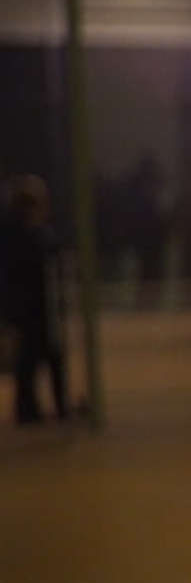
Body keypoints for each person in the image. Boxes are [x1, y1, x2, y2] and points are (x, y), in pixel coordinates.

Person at [4, 174, 71, 425]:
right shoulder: (18, 237)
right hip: (29, 309)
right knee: (29, 360)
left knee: (48, 358)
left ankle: (54, 406)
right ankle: (29, 410)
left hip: (43, 307)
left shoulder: (40, 235)